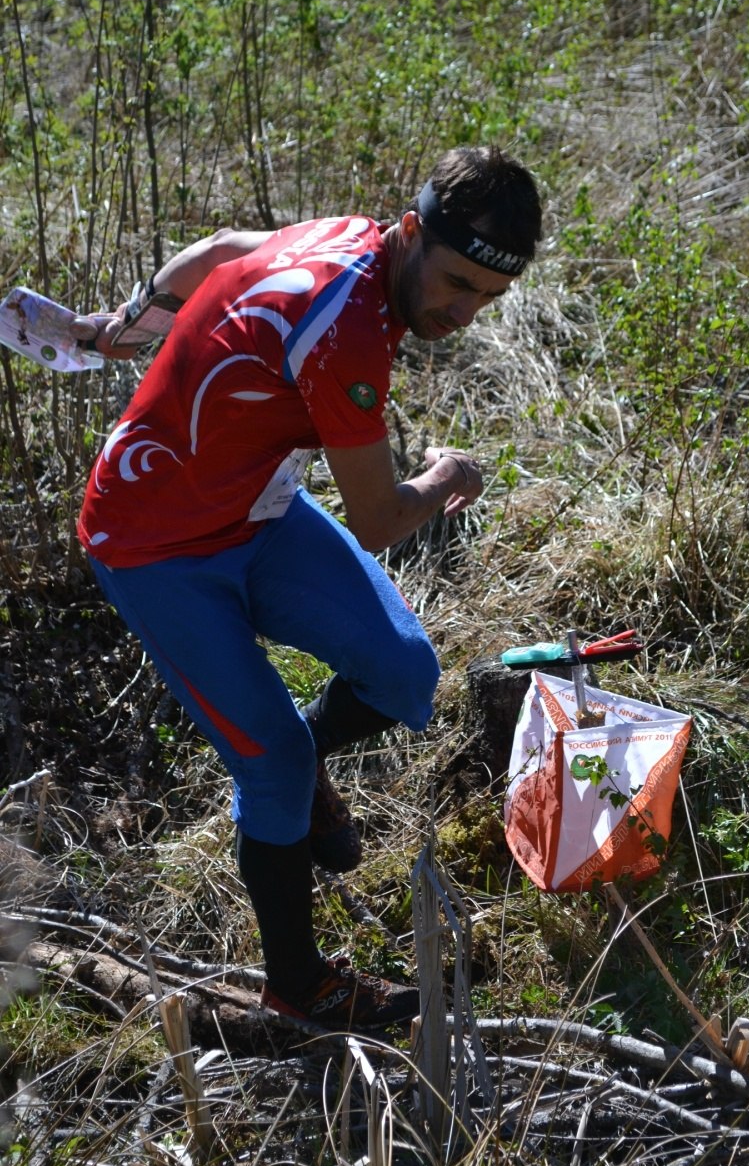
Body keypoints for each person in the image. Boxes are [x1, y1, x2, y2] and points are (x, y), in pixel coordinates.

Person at [75, 146, 543, 1028]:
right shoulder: (349, 332)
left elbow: (219, 248)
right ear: (412, 233)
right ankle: (298, 984)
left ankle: (303, 768)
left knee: (403, 670)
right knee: (273, 765)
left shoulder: (345, 239)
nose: (464, 312)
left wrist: (129, 321)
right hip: (152, 546)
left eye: (487, 298)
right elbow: (373, 519)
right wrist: (445, 477)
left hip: (255, 512)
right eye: (455, 284)